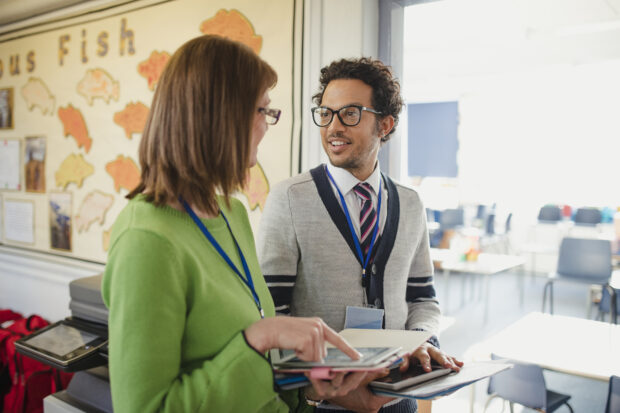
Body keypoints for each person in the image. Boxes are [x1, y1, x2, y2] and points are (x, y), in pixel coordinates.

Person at [102, 35, 369, 413]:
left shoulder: (233, 214)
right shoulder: (146, 238)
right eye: (262, 110)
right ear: (219, 115)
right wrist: (258, 337)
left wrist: (316, 389)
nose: (267, 124)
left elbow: (258, 376)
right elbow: (146, 408)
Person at [258, 57, 463, 412]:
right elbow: (273, 312)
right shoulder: (289, 198)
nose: (333, 127)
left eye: (350, 114)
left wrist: (419, 342)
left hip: (399, 396)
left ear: (385, 124)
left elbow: (423, 299)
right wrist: (322, 382)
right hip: (326, 400)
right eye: (326, 113)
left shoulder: (411, 203)